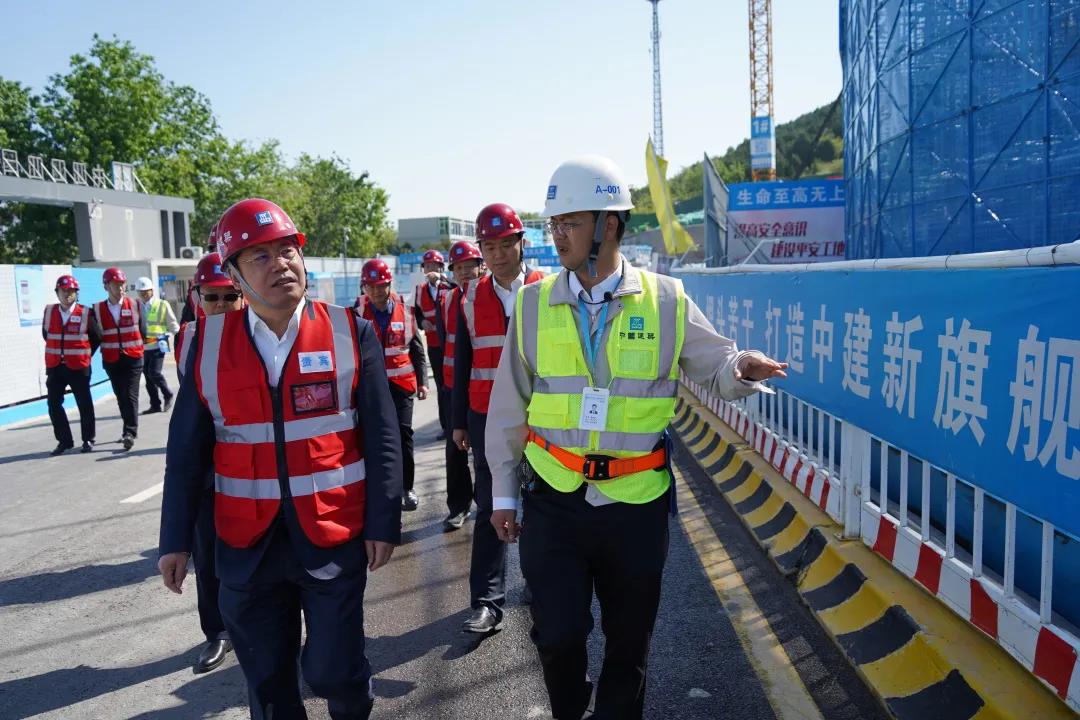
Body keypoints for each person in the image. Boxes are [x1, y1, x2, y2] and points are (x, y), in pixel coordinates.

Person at [485, 155, 788, 720]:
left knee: (630, 645)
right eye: (554, 223)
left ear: (609, 225)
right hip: (553, 497)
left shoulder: (666, 299)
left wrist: (742, 368)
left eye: (571, 222)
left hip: (636, 505)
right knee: (556, 635)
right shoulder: (532, 304)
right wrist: (503, 493)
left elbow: (716, 363)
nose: (558, 235)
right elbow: (508, 405)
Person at [158, 198, 402, 720]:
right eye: (260, 257)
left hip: (332, 531)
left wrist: (384, 521)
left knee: (333, 672)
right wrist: (174, 540)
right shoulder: (205, 345)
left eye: (287, 251)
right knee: (268, 685)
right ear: (233, 274)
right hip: (246, 544)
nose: (280, 265)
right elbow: (186, 454)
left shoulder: (349, 332)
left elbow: (383, 436)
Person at [452, 203, 545, 633]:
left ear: (522, 244)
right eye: (489, 247)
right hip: (486, 417)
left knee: (543, 503)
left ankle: (540, 584)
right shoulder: (468, 298)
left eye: (506, 245)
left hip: (544, 416)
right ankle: (487, 601)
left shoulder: (549, 289)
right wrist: (458, 421)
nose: (498, 255)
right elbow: (461, 363)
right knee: (491, 505)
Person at [172, 251, 243, 675]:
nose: (220, 305)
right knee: (208, 553)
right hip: (209, 468)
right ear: (196, 297)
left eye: (229, 296)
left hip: (256, 466)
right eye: (211, 297)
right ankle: (216, 632)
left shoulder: (261, 333)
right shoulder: (186, 338)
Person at [355, 259, 428, 512]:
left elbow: (417, 350)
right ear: (364, 287)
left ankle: (407, 488)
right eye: (371, 286)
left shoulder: (406, 311)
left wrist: (423, 383)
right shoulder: (355, 313)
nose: (377, 291)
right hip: (371, 389)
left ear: (390, 285)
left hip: (401, 386)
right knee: (373, 438)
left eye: (382, 286)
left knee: (404, 436)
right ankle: (379, 491)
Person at [438, 240, 484, 530]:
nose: (465, 272)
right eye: (459, 268)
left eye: (470, 266)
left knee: (485, 451)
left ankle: (487, 502)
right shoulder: (447, 300)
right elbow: (444, 345)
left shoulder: (490, 296)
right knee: (454, 449)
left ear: (481, 267)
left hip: (483, 385)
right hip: (453, 387)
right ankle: (458, 506)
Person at [42, 274, 100, 455]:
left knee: (84, 404)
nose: (67, 294)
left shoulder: (86, 313)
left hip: (79, 367)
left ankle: (88, 439)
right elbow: (46, 334)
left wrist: (84, 354)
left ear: (76, 293)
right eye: (63, 291)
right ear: (57, 292)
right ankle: (64, 440)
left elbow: (96, 337)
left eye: (71, 291)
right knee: (53, 404)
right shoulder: (49, 311)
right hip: (55, 366)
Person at [95, 267, 147, 451]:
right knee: (121, 396)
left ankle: (130, 432)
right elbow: (95, 335)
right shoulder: (98, 309)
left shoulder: (136, 304)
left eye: (122, 284)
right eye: (115, 284)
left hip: (133, 357)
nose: (120, 288)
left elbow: (143, 330)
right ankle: (127, 429)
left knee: (131, 394)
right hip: (112, 359)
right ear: (106, 286)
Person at [412, 249, 451, 439]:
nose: (430, 269)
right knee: (442, 387)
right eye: (427, 266)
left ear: (441, 267)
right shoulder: (420, 290)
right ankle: (446, 426)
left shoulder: (449, 285)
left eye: (434, 265)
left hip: (452, 343)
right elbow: (416, 314)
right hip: (434, 345)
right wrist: (422, 322)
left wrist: (443, 279)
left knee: (456, 384)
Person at [137, 276, 180, 415]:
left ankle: (168, 394)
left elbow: (172, 323)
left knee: (154, 373)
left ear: (152, 290)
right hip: (143, 346)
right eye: (141, 292)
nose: (144, 294)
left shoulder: (162, 304)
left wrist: (179, 337)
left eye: (146, 291)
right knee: (147, 377)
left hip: (159, 343)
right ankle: (155, 404)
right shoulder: (136, 306)